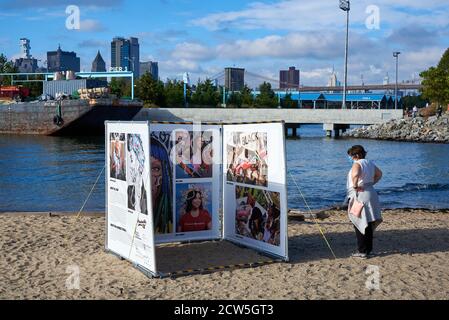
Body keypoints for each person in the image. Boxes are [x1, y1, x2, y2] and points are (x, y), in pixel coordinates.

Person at [347, 145, 383, 259]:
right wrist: (371, 183)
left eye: (351, 156)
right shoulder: (370, 163)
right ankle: (369, 250)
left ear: (356, 155)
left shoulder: (357, 164)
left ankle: (362, 251)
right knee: (369, 222)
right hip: (370, 193)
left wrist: (355, 185)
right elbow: (379, 174)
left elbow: (356, 174)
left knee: (359, 221)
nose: (351, 159)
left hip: (360, 195)